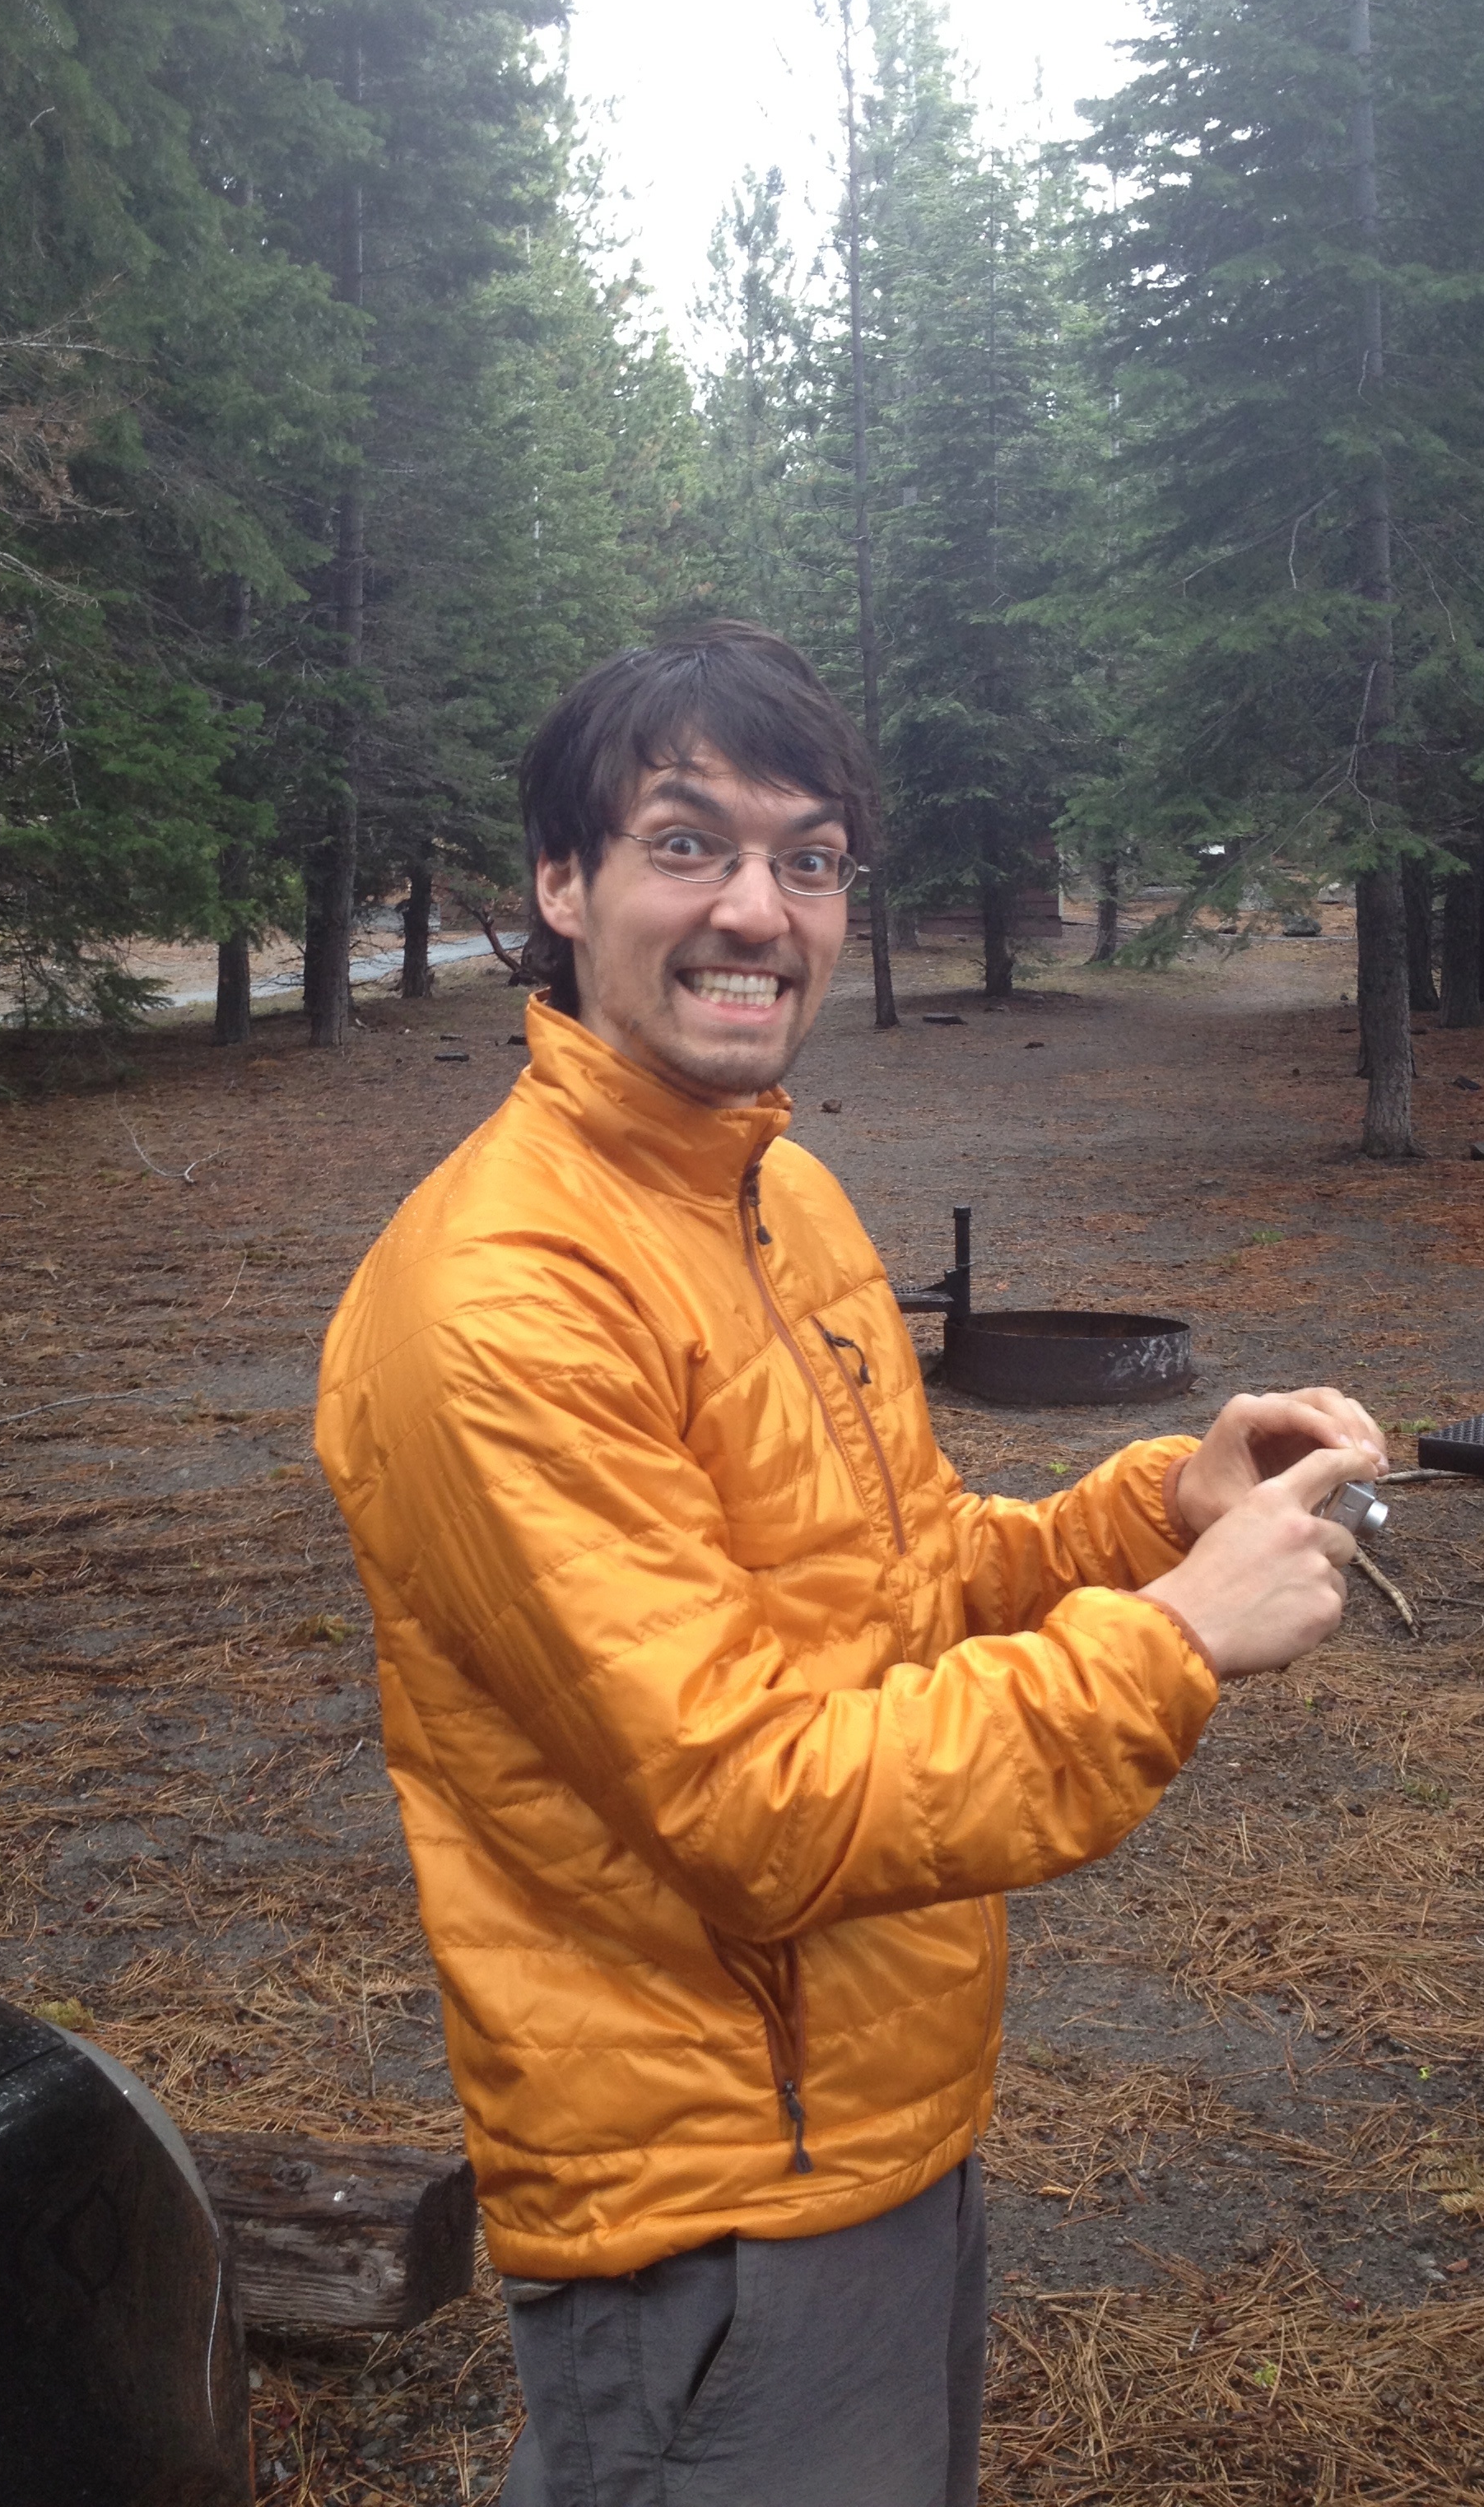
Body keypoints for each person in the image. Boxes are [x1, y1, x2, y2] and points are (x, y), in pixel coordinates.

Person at [314, 623, 1382, 2507]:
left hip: (871, 2109)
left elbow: (902, 1579)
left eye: (807, 859)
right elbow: (748, 1804)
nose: (759, 909)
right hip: (711, 2188)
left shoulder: (773, 1188)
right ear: (560, 885)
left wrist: (1160, 1509)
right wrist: (1170, 1642)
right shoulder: (499, 1301)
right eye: (687, 844)